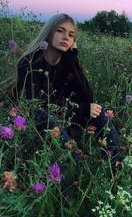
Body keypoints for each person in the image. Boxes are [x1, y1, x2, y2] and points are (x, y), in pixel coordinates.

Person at [16, 13, 120, 157]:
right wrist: (82, 109)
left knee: (98, 110)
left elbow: (88, 98)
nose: (66, 37)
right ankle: (74, 159)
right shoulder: (29, 63)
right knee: (44, 115)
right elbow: (38, 104)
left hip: (67, 117)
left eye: (71, 35)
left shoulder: (67, 63)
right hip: (38, 122)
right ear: (49, 32)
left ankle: (114, 157)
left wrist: (73, 61)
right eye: (60, 31)